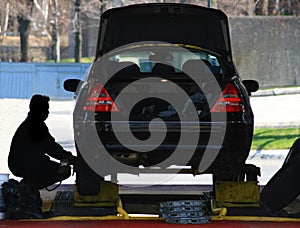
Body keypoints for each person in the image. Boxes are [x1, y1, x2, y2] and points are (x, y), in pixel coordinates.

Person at [8, 94, 76, 190]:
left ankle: (27, 186)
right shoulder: (36, 127)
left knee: (49, 168)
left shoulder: (30, 124)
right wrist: (67, 157)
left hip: (19, 163)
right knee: (63, 171)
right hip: (25, 164)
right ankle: (28, 188)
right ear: (39, 110)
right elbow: (51, 148)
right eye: (46, 109)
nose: (48, 113)